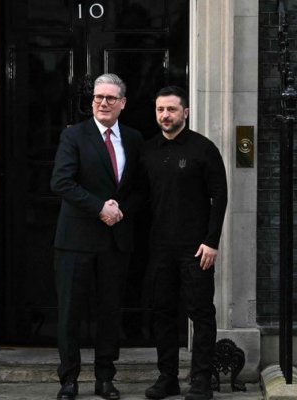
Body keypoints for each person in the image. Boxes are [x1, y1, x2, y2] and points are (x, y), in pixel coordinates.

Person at [50, 73, 144, 400]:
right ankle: (69, 379)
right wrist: (99, 208)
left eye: (110, 98)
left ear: (123, 103)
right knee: (70, 314)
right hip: (75, 240)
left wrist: (120, 210)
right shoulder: (74, 136)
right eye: (98, 97)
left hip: (116, 241)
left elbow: (140, 187)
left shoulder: (133, 138)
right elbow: (61, 182)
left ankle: (105, 378)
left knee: (110, 312)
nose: (103, 103)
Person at [140, 86, 228, 400]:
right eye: (160, 109)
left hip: (196, 249)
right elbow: (140, 199)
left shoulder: (204, 149)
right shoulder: (147, 150)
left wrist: (212, 241)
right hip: (159, 247)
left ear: (185, 112)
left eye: (172, 109)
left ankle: (201, 380)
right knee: (162, 313)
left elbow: (220, 196)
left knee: (201, 313)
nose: (165, 115)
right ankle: (168, 379)